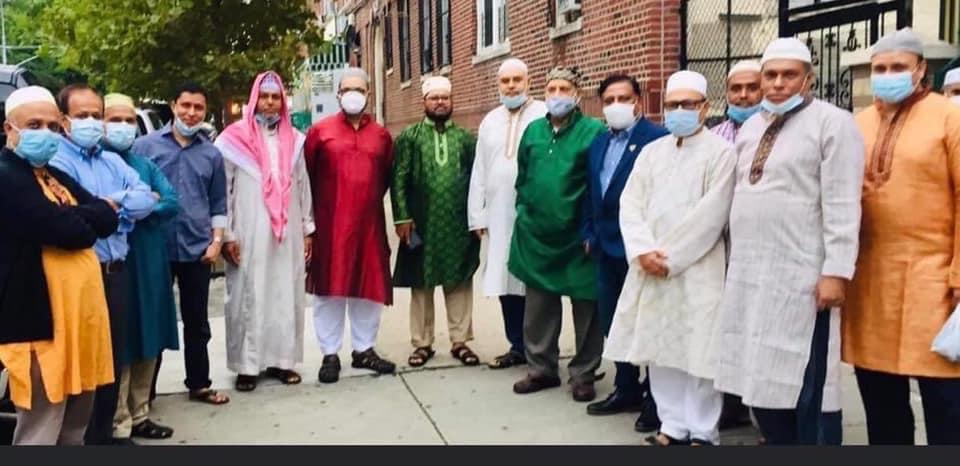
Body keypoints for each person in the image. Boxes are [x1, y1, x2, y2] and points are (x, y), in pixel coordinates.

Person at [712, 37, 865, 445]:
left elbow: (843, 202)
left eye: (789, 75)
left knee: (807, 383)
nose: (778, 83)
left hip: (803, 276)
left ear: (808, 79)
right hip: (750, 275)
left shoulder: (833, 123)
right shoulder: (752, 128)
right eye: (771, 75)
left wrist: (836, 272)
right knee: (758, 375)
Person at [603, 70, 735, 446]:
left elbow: (712, 214)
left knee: (699, 351)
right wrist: (643, 251)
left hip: (698, 267)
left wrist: (670, 258)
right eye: (673, 105)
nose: (679, 111)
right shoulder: (653, 152)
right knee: (660, 349)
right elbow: (631, 204)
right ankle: (672, 425)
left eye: (687, 104)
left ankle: (703, 432)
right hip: (650, 267)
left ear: (705, 107)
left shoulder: (721, 153)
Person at [843, 27, 960, 445]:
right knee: (880, 401)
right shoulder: (857, 124)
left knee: (946, 400)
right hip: (871, 282)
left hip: (935, 280)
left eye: (898, 67)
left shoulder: (950, 117)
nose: (888, 75)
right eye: (880, 69)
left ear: (921, 69)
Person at [0, 86, 118, 444]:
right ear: (9, 129)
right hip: (40, 323)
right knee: (42, 425)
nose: (46, 133)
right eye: (34, 125)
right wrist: (83, 216)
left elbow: (107, 219)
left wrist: (79, 214)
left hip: (78, 321)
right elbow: (67, 230)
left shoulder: (50, 174)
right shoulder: (7, 176)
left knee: (74, 424)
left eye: (53, 126)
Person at [49, 84, 157, 445]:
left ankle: (107, 436)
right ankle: (80, 440)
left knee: (110, 359)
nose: (92, 122)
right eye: (82, 116)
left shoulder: (112, 160)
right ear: (64, 121)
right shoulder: (57, 162)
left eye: (97, 115)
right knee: (81, 364)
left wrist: (108, 206)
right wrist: (115, 208)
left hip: (115, 273)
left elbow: (147, 200)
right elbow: (74, 215)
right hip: (80, 275)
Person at [508, 67, 607, 402]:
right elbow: (523, 177)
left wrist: (591, 228)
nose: (557, 95)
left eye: (565, 89)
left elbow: (598, 182)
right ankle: (541, 368)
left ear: (577, 94)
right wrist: (524, 212)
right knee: (538, 307)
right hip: (537, 235)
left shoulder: (593, 131)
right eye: (552, 89)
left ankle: (584, 374)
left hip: (578, 238)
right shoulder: (534, 131)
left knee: (587, 307)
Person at [215, 71, 314, 392]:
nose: (270, 103)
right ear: (254, 99)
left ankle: (283, 362)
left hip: (287, 232)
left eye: (276, 97)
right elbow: (224, 190)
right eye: (264, 97)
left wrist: (307, 229)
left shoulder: (295, 140)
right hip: (248, 232)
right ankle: (247, 366)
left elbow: (302, 186)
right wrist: (228, 234)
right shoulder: (232, 140)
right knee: (248, 293)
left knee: (285, 292)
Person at [132, 82, 229, 406]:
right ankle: (145, 393)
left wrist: (216, 242)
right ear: (173, 106)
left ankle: (199, 383)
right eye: (185, 105)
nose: (191, 113)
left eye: (198, 107)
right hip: (154, 248)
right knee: (154, 320)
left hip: (197, 249)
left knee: (197, 322)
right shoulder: (145, 147)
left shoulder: (211, 154)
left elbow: (219, 203)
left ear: (205, 112)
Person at [582, 73, 668, 433]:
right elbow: (592, 191)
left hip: (641, 250)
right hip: (605, 248)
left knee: (647, 322)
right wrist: (588, 232)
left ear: (638, 102)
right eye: (609, 100)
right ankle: (626, 386)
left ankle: (656, 399)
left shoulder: (658, 140)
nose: (616, 105)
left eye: (624, 98)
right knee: (614, 320)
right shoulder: (599, 142)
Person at [305, 67, 396, 383]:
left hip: (369, 224)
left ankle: (364, 349)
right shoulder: (320, 132)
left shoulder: (381, 136)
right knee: (329, 289)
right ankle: (330, 354)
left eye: (359, 89)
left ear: (368, 94)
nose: (353, 94)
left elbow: (385, 176)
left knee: (368, 287)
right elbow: (307, 176)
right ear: (338, 94)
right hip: (330, 224)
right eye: (347, 89)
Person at [101, 93, 179, 443]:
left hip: (148, 262)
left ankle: (141, 414)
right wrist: (142, 202)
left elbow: (170, 201)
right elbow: (99, 208)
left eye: (128, 120)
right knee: (121, 341)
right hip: (115, 265)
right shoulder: (96, 165)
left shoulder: (144, 164)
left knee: (148, 335)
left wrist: (133, 206)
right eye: (114, 119)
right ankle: (118, 422)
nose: (123, 126)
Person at [392, 76, 481, 368]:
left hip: (458, 223)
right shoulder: (410, 137)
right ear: (424, 102)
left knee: (459, 279)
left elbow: (477, 180)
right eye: (434, 98)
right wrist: (402, 217)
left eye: (445, 97)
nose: (440, 102)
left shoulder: (465, 139)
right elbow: (399, 178)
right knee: (421, 282)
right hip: (420, 222)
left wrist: (477, 218)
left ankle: (460, 341)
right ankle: (422, 343)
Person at [468, 58, 546, 370]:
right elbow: (479, 170)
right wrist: (477, 215)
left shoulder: (543, 115)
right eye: (505, 81)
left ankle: (540, 349)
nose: (511, 86)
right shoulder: (490, 120)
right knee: (504, 279)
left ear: (528, 81)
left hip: (533, 214)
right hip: (498, 215)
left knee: (533, 284)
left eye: (517, 80)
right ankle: (517, 345)